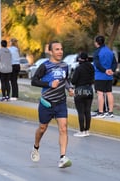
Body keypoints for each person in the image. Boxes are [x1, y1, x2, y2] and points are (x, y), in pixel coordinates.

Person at [30, 40, 74, 168]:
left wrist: (70, 88)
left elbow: (65, 80)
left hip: (60, 103)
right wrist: (49, 84)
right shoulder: (45, 66)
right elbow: (34, 81)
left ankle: (62, 157)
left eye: (61, 49)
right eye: (57, 49)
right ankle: (36, 147)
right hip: (47, 104)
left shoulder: (65, 65)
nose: (60, 51)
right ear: (50, 52)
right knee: (42, 128)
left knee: (64, 128)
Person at [93, 35, 117, 118]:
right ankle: (110, 112)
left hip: (100, 76)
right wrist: (112, 70)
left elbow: (97, 64)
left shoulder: (97, 52)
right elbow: (115, 63)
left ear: (97, 43)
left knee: (100, 94)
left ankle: (101, 112)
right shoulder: (109, 51)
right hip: (109, 76)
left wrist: (104, 70)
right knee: (109, 93)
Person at [71, 52, 94, 137]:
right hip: (89, 90)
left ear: (80, 59)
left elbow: (73, 81)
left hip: (80, 90)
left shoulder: (79, 68)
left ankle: (81, 131)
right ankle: (87, 130)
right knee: (87, 111)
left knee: (81, 111)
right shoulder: (91, 67)